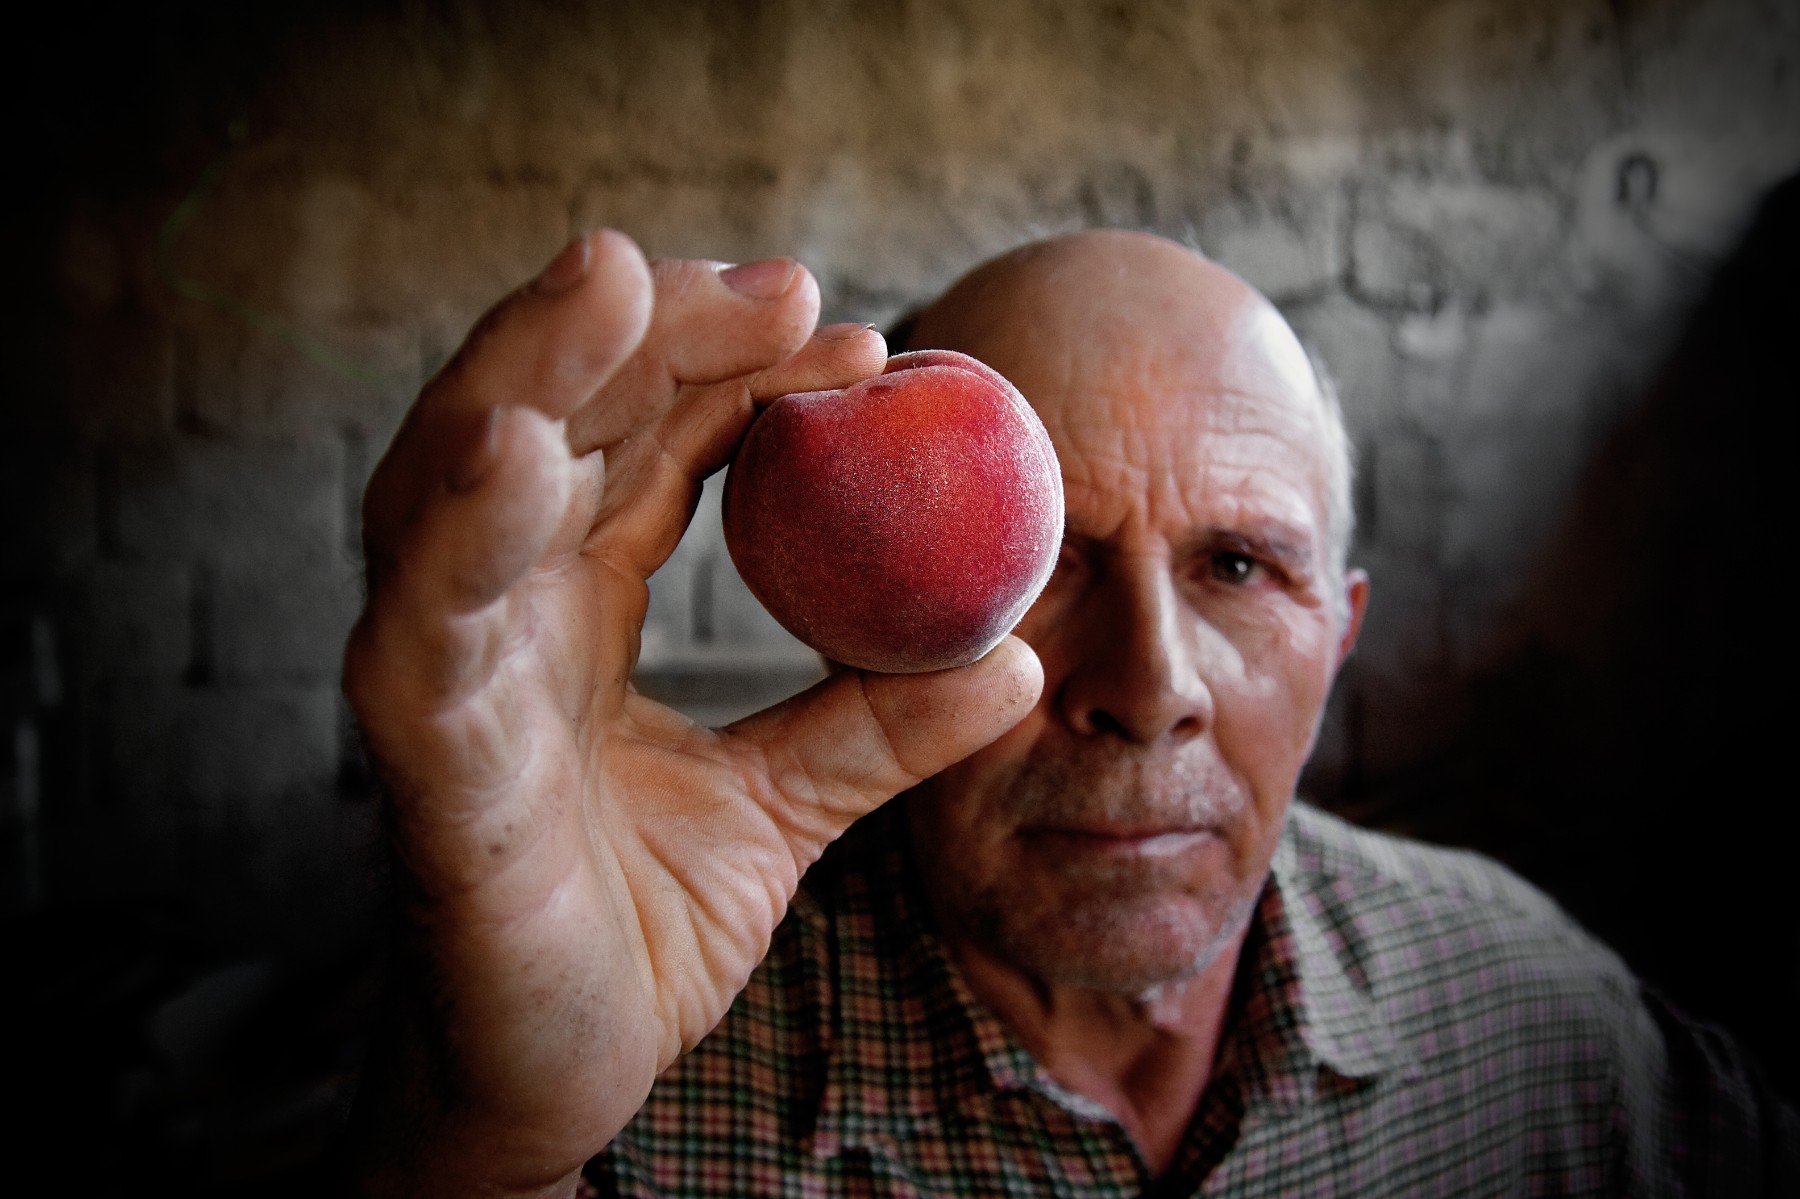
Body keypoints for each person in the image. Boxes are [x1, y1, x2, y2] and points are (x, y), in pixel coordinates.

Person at [340, 229, 1796, 1197]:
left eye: (1239, 567)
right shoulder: (629, 1104)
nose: (1148, 689)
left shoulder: (1540, 1028)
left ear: (1338, 640)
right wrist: (486, 1159)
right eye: (1045, 570)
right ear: (862, 631)